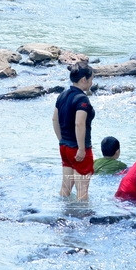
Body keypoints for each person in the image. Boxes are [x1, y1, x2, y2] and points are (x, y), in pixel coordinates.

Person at [53, 62, 95, 201]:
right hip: (78, 150)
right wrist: (81, 148)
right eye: (91, 79)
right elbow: (79, 123)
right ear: (84, 79)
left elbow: (54, 120)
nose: (91, 83)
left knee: (65, 188)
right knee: (82, 192)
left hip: (65, 147)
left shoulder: (62, 95)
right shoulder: (82, 99)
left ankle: (63, 215)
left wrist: (61, 140)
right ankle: (81, 221)